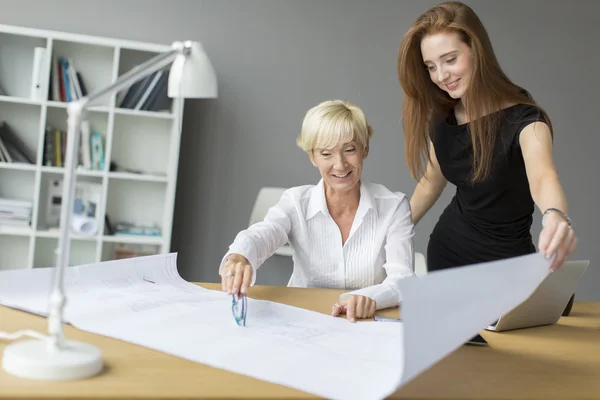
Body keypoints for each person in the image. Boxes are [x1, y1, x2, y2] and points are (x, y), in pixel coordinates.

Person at [396, 2, 578, 275]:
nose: (441, 76)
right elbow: (430, 183)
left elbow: (543, 177)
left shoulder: (525, 121)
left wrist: (555, 216)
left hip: (509, 264)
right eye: (431, 66)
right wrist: (392, 230)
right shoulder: (443, 119)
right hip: (449, 256)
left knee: (546, 312)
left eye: (450, 59)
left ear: (476, 50)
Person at [219, 100, 415, 322]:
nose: (340, 164)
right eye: (326, 154)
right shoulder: (295, 202)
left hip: (365, 323)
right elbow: (263, 233)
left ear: (365, 149)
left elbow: (403, 277)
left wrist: (369, 297)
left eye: (349, 150)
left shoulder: (394, 206)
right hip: (304, 321)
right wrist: (240, 256)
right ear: (312, 156)